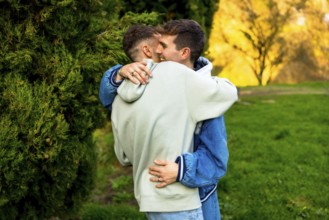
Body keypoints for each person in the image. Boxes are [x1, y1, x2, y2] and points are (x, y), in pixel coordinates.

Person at [99, 21, 236, 219]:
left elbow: (123, 157)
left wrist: (116, 74)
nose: (159, 51)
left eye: (163, 45)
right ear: (147, 49)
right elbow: (217, 161)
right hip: (186, 197)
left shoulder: (120, 92)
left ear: (184, 52)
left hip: (148, 196)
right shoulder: (183, 80)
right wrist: (182, 170)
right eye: (158, 45)